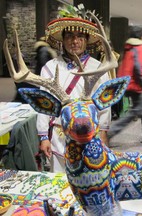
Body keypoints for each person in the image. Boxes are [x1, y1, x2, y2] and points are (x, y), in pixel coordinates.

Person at [37, 5, 111, 173]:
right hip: (59, 135)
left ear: (86, 40)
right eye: (69, 36)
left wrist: (104, 133)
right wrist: (43, 136)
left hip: (89, 135)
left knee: (89, 178)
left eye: (79, 36)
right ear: (62, 40)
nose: (75, 41)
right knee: (61, 180)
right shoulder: (50, 67)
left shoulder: (98, 68)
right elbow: (44, 104)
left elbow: (104, 105)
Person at [108, 25, 142, 144]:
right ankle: (110, 133)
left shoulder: (128, 46)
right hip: (135, 83)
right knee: (136, 112)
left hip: (125, 81)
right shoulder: (140, 46)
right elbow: (138, 66)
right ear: (140, 34)